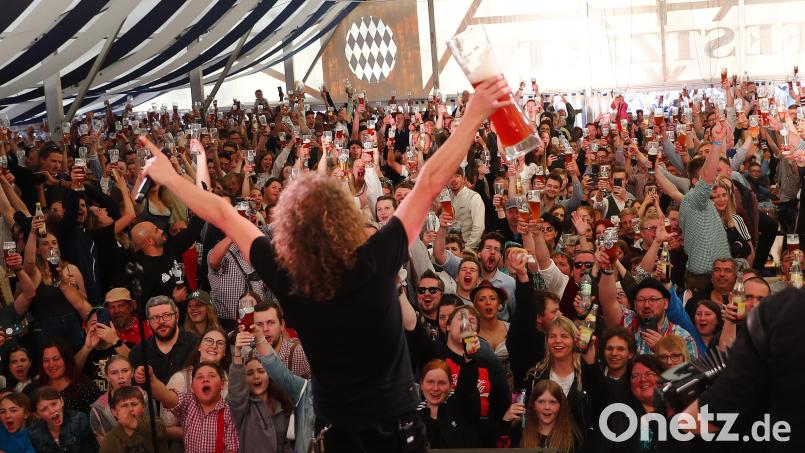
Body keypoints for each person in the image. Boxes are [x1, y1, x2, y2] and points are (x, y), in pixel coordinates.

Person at [138, 75, 512, 453]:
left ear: (290, 229)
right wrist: (474, 114)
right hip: (397, 430)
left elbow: (222, 213)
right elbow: (429, 182)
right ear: (344, 217)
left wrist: (170, 177)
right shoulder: (376, 258)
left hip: (338, 435)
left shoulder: (289, 276)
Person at [684, 288, 805, 451]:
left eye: (760, 298)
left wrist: (680, 417)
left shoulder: (783, 310)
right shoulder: (782, 312)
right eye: (748, 297)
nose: (753, 303)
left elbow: (709, 416)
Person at [135, 361, 239, 453]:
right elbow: (167, 397)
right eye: (200, 377)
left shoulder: (229, 412)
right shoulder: (189, 403)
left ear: (222, 384)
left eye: (212, 376)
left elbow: (232, 448)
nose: (205, 379)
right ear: (192, 387)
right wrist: (152, 379)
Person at [229, 328, 294, 453]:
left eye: (261, 371)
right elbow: (236, 390)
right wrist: (237, 353)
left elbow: (288, 445)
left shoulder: (282, 405)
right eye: (249, 373)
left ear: (269, 376)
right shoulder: (242, 408)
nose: (256, 376)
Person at [128, 296, 199, 383]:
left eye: (167, 315)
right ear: (148, 323)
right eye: (155, 317)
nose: (161, 321)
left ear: (177, 317)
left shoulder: (196, 344)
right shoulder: (138, 352)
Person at [417, 359, 481, 449]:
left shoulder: (460, 407)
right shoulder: (414, 418)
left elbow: (467, 386)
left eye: (442, 383)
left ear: (451, 386)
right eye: (430, 382)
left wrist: (469, 358)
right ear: (421, 384)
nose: (435, 388)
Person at [88, 355, 149, 445]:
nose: (121, 376)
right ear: (107, 376)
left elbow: (154, 434)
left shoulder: (146, 399)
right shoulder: (97, 409)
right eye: (114, 373)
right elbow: (104, 446)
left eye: (125, 371)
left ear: (132, 372)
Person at [511, 379, 582, 452]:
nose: (547, 407)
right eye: (541, 402)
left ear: (560, 406)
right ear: (533, 405)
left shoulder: (572, 438)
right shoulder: (520, 432)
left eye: (552, 402)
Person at [35, 340, 102, 413]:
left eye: (56, 359)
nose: (51, 365)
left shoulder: (87, 388)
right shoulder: (34, 389)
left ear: (66, 359)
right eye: (46, 360)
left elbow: (99, 418)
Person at [99, 385, 169, 453]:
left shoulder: (156, 424)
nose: (130, 409)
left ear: (143, 407)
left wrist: (133, 423)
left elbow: (160, 431)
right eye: (124, 405)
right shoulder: (110, 439)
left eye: (134, 404)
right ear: (114, 412)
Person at [28, 386, 98, 452]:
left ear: (62, 401)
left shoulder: (80, 420)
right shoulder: (34, 433)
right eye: (44, 409)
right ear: (37, 415)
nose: (52, 411)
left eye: (54, 404)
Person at [253, 300, 310, 379]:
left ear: (282, 325)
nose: (265, 329)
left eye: (270, 322)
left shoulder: (299, 353)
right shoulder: (251, 356)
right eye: (259, 324)